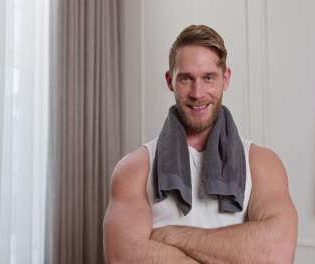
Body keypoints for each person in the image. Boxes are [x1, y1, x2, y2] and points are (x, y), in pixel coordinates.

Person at [103, 25, 298, 263]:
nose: (197, 93)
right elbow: (122, 258)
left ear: (225, 79)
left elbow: (276, 255)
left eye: (208, 78)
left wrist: (173, 236)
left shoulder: (262, 164)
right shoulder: (134, 169)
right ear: (170, 81)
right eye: (186, 78)